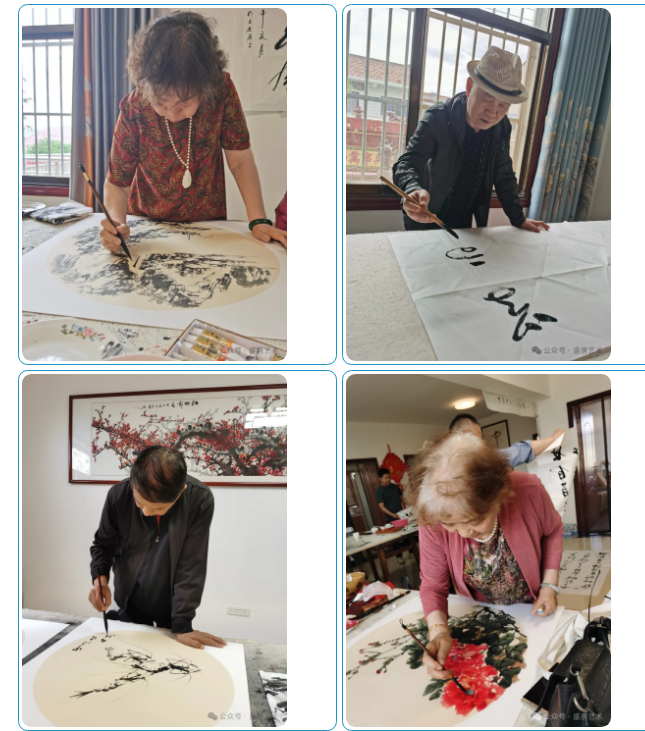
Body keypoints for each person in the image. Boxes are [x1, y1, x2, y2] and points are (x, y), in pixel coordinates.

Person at [100, 11, 287, 253]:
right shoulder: (135, 106)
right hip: (147, 224)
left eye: (184, 103)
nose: (172, 113)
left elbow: (240, 159)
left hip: (208, 225)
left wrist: (258, 219)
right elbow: (117, 182)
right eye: (161, 102)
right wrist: (116, 224)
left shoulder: (222, 92)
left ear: (206, 85)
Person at [408, 432, 563, 680]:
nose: (463, 533)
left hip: (531, 609)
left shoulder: (528, 490)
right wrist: (438, 631)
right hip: (480, 617)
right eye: (450, 524)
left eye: (474, 521)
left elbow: (553, 531)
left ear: (498, 496)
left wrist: (548, 586)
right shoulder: (433, 515)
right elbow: (434, 585)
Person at [392, 46, 549, 234]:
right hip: (427, 217)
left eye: (503, 104)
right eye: (488, 98)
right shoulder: (437, 117)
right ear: (469, 87)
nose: (493, 112)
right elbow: (406, 163)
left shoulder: (502, 127)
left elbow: (503, 174)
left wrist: (518, 218)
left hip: (464, 221)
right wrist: (411, 188)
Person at [88, 445, 225, 650]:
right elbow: (103, 545)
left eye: (158, 507)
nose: (146, 512)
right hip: (129, 595)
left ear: (181, 492)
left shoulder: (198, 500)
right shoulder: (118, 496)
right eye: (139, 502)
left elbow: (191, 563)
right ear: (133, 483)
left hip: (171, 599)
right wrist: (100, 580)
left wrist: (182, 623)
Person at [449, 413, 565, 468]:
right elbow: (514, 453)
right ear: (467, 433)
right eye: (478, 436)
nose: (481, 441)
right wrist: (552, 439)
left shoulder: (444, 463)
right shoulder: (473, 460)